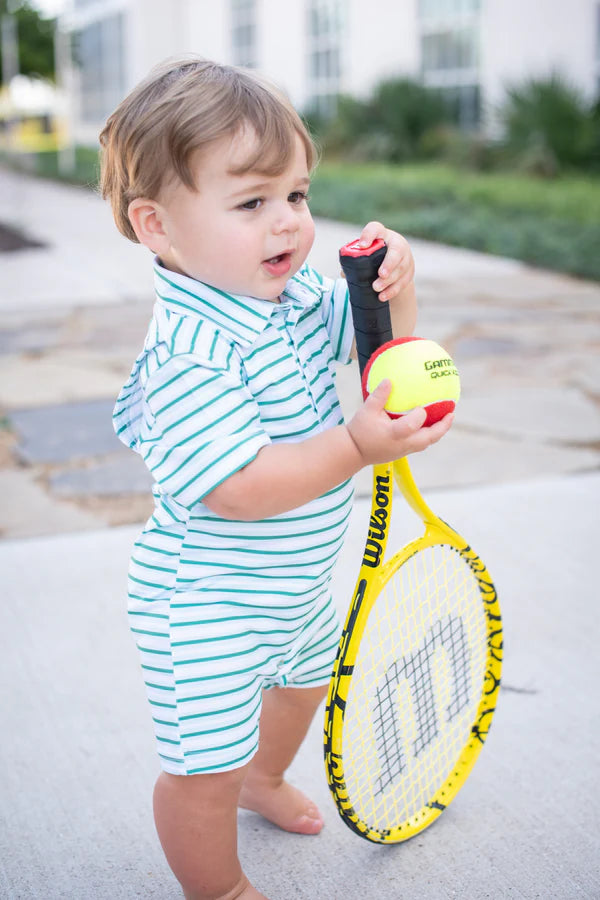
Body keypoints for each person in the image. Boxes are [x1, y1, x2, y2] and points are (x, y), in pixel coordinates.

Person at [100, 56, 453, 900]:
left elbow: (376, 351)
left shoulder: (288, 298)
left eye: (296, 195)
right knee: (202, 771)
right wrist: (356, 447)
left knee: (301, 692)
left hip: (291, 588)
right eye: (252, 203)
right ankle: (215, 884)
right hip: (209, 603)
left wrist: (392, 291)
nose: (289, 224)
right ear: (158, 226)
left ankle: (264, 781)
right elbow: (241, 488)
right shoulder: (189, 354)